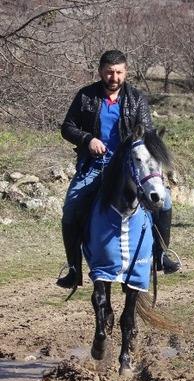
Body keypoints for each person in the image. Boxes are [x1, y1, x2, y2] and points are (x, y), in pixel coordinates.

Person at [56, 50, 180, 289]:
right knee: (71, 207)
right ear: (101, 71)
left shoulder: (136, 99)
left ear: (126, 72)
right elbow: (67, 127)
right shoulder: (86, 96)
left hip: (130, 168)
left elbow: (148, 134)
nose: (114, 77)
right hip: (95, 166)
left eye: (119, 72)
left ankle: (161, 255)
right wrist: (87, 139)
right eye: (110, 72)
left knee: (164, 201)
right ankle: (73, 269)